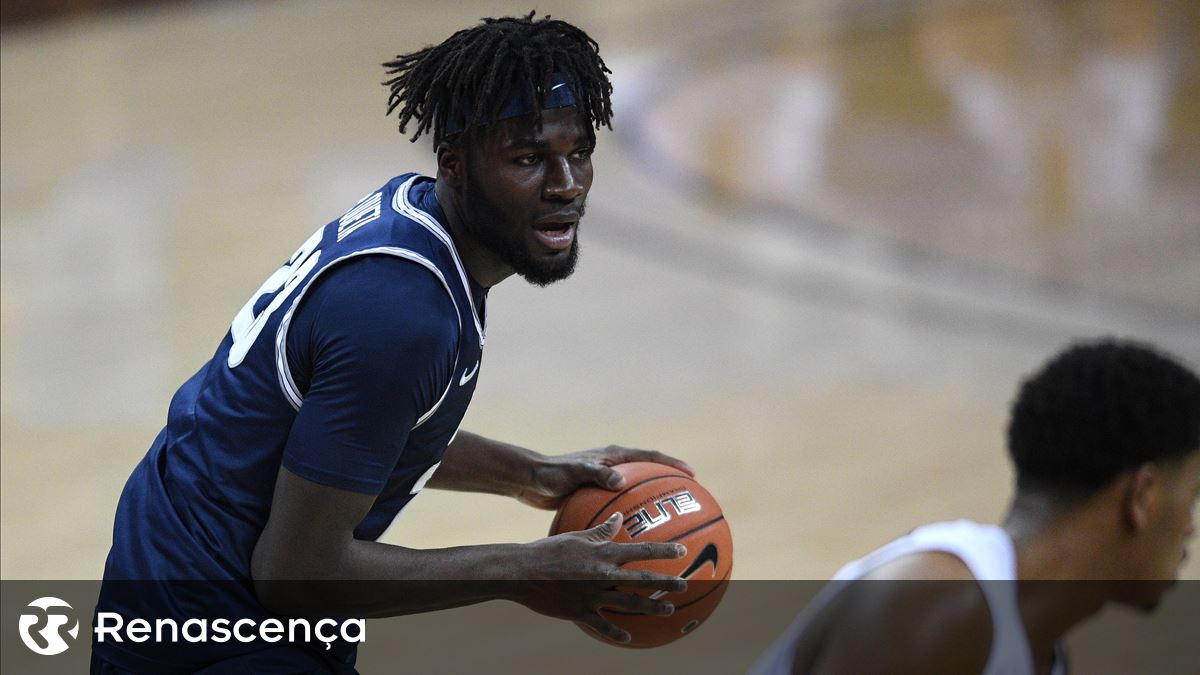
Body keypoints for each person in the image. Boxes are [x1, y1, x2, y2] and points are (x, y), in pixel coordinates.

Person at [94, 13, 693, 674]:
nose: (566, 184)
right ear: (454, 163)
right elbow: (295, 573)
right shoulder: (403, 313)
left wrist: (528, 473)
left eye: (577, 151)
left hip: (183, 571)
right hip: (213, 630)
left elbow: (353, 430)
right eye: (527, 158)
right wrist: (524, 570)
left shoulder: (412, 221)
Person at [750, 339, 1200, 675]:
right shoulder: (933, 605)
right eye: (1194, 496)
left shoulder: (1036, 648)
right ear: (1142, 497)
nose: (1192, 529)